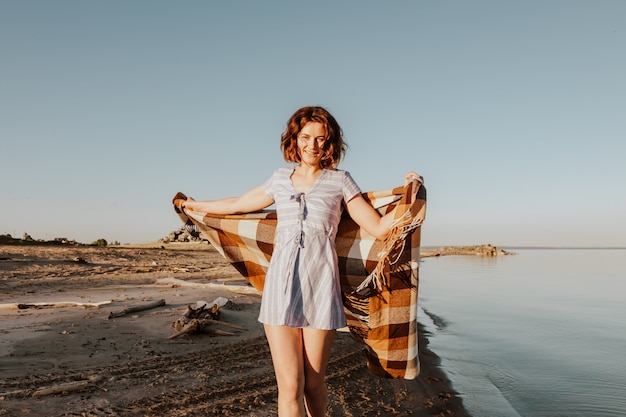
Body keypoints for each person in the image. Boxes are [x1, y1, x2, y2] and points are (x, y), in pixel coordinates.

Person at [181, 106, 421, 417]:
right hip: (280, 288)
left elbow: (377, 226)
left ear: (330, 144)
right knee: (290, 386)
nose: (313, 145)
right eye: (306, 137)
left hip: (321, 288)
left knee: (313, 383)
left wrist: (413, 189)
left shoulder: (340, 181)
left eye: (321, 139)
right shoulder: (279, 179)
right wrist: (191, 205)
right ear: (295, 139)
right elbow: (237, 205)